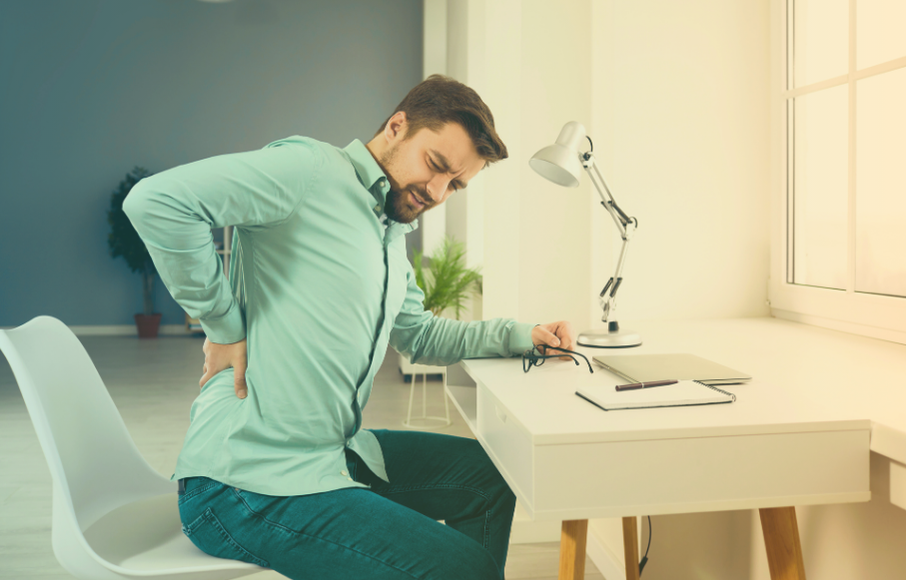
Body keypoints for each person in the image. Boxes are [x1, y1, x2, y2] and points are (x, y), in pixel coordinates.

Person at [124, 74, 574, 580]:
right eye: (436, 165)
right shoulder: (308, 170)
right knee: (462, 567)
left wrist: (520, 335)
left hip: (327, 457)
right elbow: (157, 202)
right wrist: (223, 325)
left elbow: (417, 335)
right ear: (397, 126)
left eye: (456, 185)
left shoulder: (388, 230)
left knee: (488, 477)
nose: (437, 192)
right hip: (243, 484)